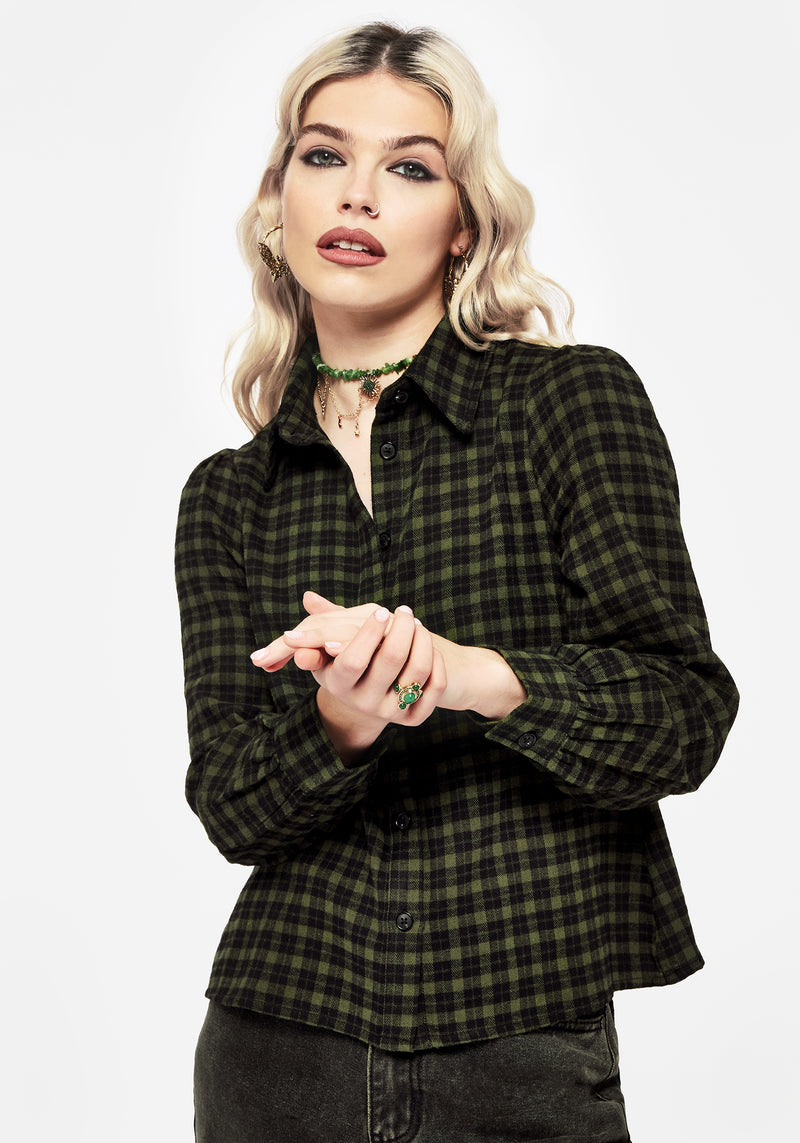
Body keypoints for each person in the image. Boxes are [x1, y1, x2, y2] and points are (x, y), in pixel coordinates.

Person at [175, 22, 738, 1143]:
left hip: (519, 1042)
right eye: (324, 155)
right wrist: (342, 720)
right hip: (279, 1046)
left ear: (464, 223)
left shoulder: (568, 403)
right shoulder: (228, 495)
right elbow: (230, 806)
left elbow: (681, 716)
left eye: (410, 167)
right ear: (279, 198)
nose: (358, 194)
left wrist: (462, 676)